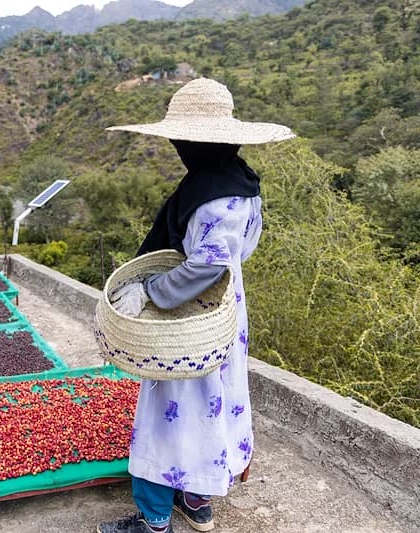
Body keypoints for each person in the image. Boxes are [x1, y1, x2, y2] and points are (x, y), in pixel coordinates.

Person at [98, 78, 295, 533]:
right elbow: (238, 254)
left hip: (191, 316)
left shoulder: (215, 197)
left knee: (169, 407)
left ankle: (153, 519)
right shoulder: (239, 181)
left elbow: (205, 267)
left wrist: (149, 292)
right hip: (224, 310)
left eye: (181, 139)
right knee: (212, 401)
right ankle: (196, 497)